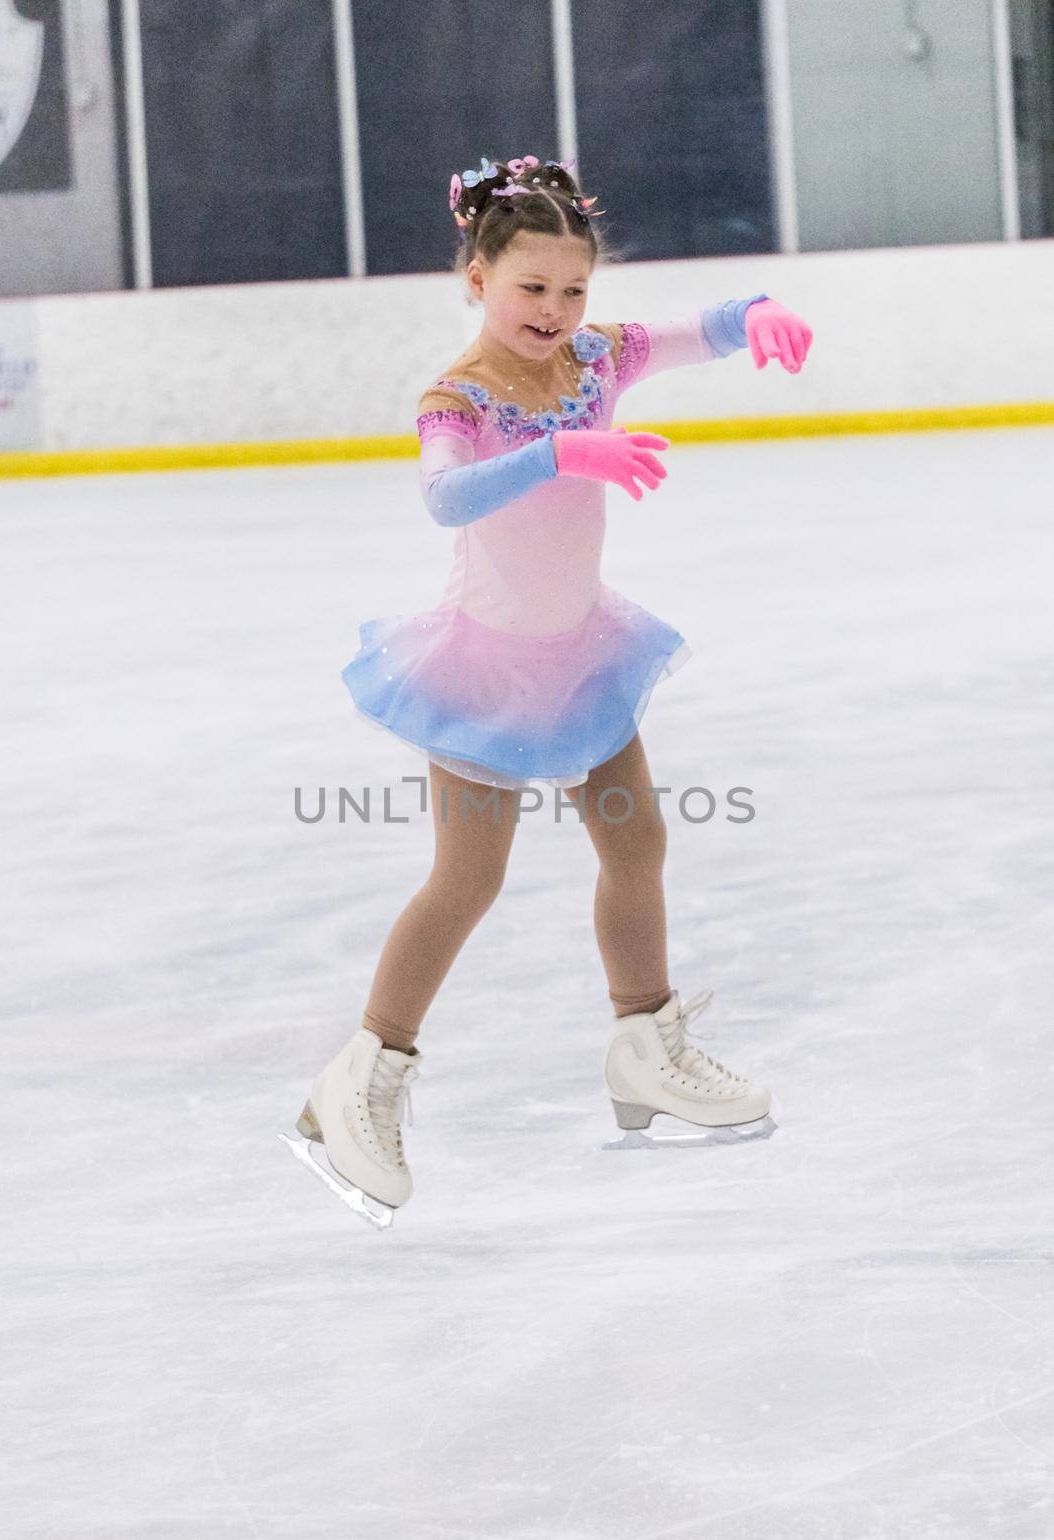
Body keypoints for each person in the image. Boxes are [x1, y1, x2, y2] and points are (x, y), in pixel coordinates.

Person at [283, 154, 813, 1227]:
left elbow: (691, 331)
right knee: (466, 880)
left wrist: (754, 311)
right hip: (484, 671)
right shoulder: (459, 395)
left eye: (573, 290)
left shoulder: (596, 358)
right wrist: (559, 454)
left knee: (636, 844)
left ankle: (643, 1044)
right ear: (474, 279)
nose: (555, 310)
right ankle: (361, 1074)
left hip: (583, 653)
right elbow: (443, 496)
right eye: (531, 287)